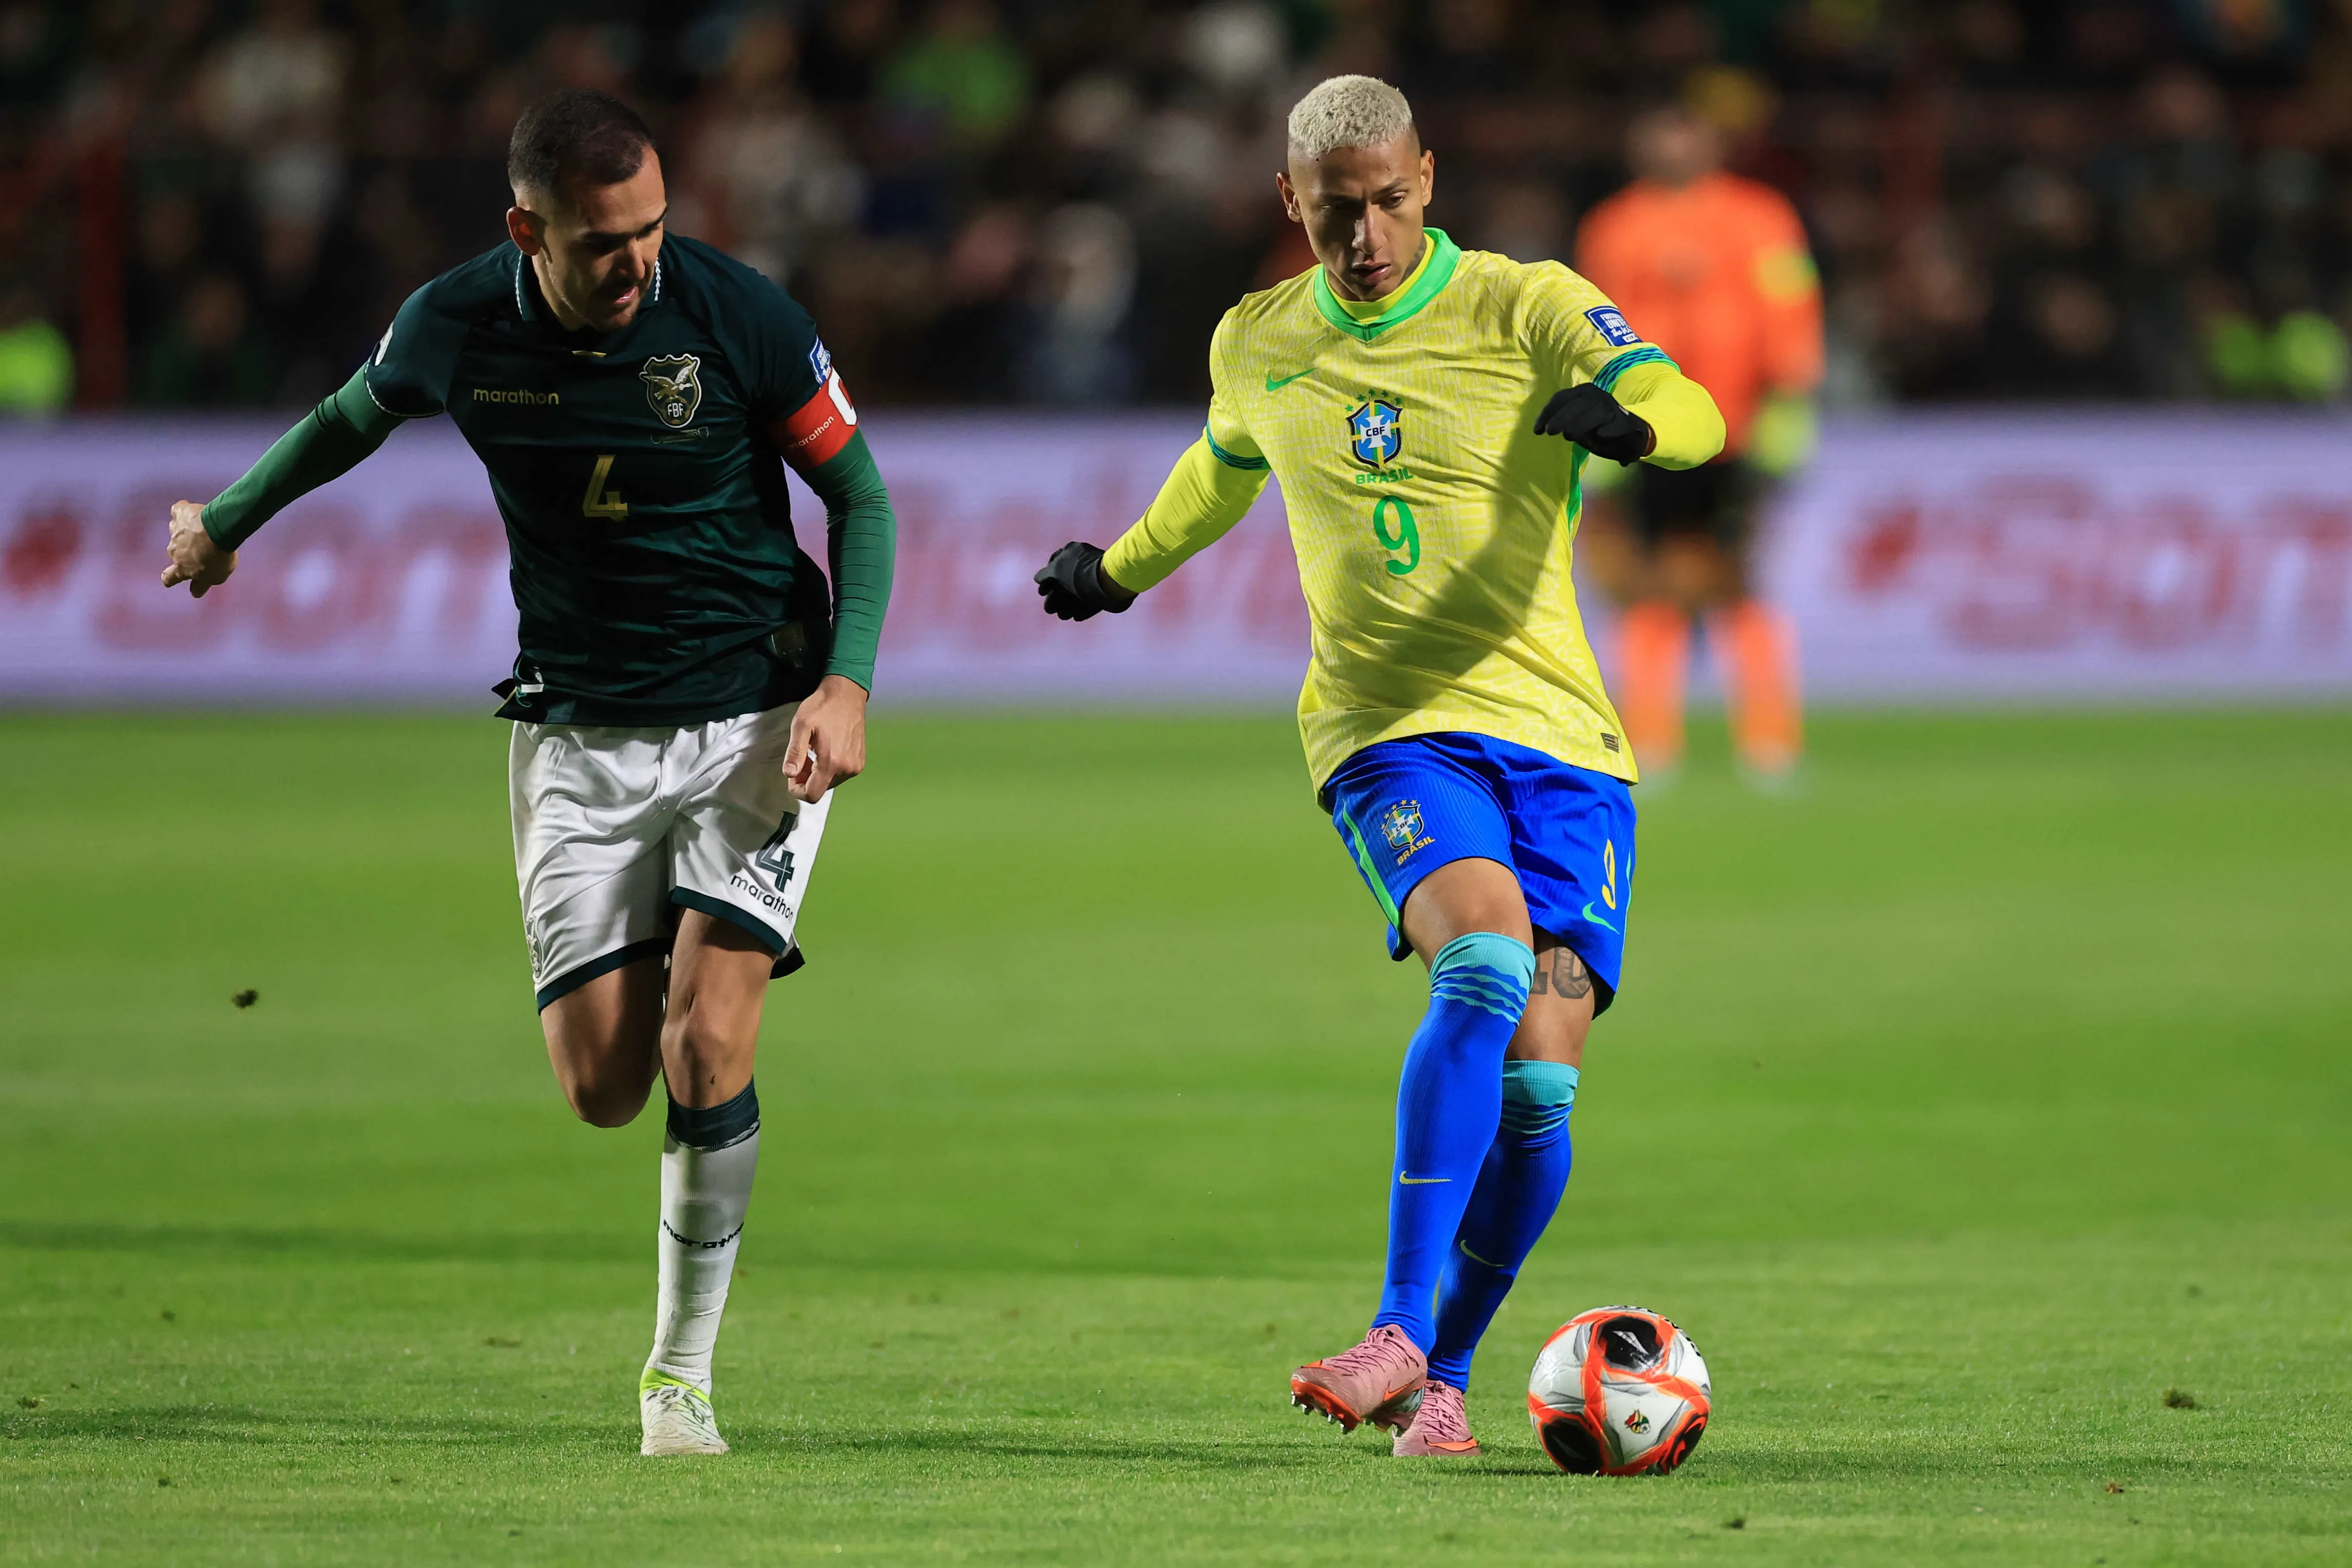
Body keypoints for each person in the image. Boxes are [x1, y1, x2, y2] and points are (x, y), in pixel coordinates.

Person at [158, 89, 896, 1458]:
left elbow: (859, 495)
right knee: (604, 1086)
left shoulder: (737, 313)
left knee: (708, 1037)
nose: (640, 262)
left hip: (756, 713)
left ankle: (678, 1378)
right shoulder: (454, 322)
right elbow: (346, 418)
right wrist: (229, 525)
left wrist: (845, 682)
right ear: (527, 229)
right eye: (607, 239)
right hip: (580, 729)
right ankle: (657, 977)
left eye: (655, 229)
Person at [1033, 75, 1722, 1458]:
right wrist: (1117, 569)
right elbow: (1220, 468)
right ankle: (1398, 1323)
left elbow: (1687, 402)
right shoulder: (1260, 339)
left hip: (1562, 746)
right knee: (1477, 960)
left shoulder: (1526, 308)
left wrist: (1635, 425)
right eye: (1332, 210)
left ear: (1426, 178)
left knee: (1538, 1089)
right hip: (1383, 726)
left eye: (1387, 200)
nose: (1362, 233)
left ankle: (1447, 1383)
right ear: (1289, 202)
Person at [1573, 103, 1823, 783]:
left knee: (1737, 584)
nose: (1670, 144)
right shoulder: (1614, 226)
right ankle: (1649, 745)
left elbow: (1789, 310)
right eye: (1659, 130)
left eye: (1683, 130)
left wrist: (1790, 402)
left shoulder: (1759, 218)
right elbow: (1591, 326)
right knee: (1645, 586)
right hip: (1646, 434)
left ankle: (1769, 745)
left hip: (1736, 431)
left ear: (1710, 143)